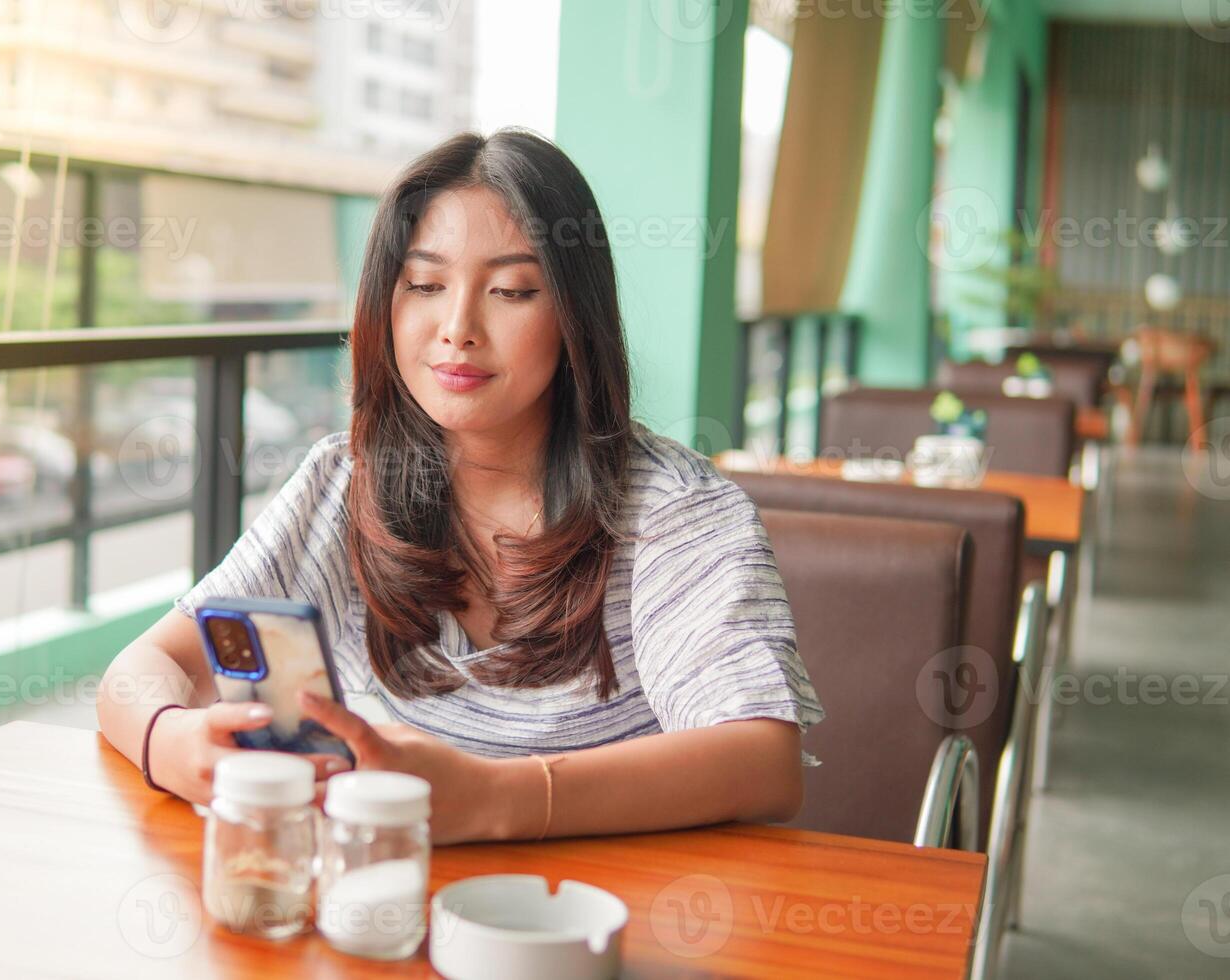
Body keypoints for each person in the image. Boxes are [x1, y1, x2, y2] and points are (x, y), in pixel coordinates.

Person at [97, 128, 823, 845]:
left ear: (574, 317)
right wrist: (172, 743)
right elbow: (140, 670)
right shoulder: (343, 481)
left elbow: (761, 761)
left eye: (511, 290)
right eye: (424, 284)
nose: (457, 328)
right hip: (390, 908)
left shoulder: (674, 511)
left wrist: (495, 799)